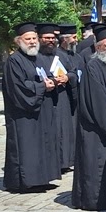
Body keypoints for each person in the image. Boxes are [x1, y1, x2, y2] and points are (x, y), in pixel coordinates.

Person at [2, 22, 61, 192]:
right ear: (19, 41)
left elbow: (48, 77)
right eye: (28, 39)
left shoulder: (39, 58)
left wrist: (53, 82)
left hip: (42, 110)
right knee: (27, 146)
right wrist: (43, 87)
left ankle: (43, 178)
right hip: (24, 114)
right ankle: (26, 181)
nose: (32, 42)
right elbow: (20, 88)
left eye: (34, 38)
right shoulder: (14, 61)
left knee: (44, 144)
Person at [72, 25, 106, 210]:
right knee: (97, 166)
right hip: (98, 128)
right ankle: (95, 200)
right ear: (97, 47)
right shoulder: (92, 67)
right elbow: (98, 99)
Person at [35, 23, 78, 173]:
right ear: (39, 39)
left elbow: (73, 73)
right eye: (47, 38)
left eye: (52, 38)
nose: (50, 40)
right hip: (46, 99)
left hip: (62, 98)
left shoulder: (61, 56)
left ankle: (65, 161)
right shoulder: (35, 57)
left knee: (64, 131)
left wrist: (66, 77)